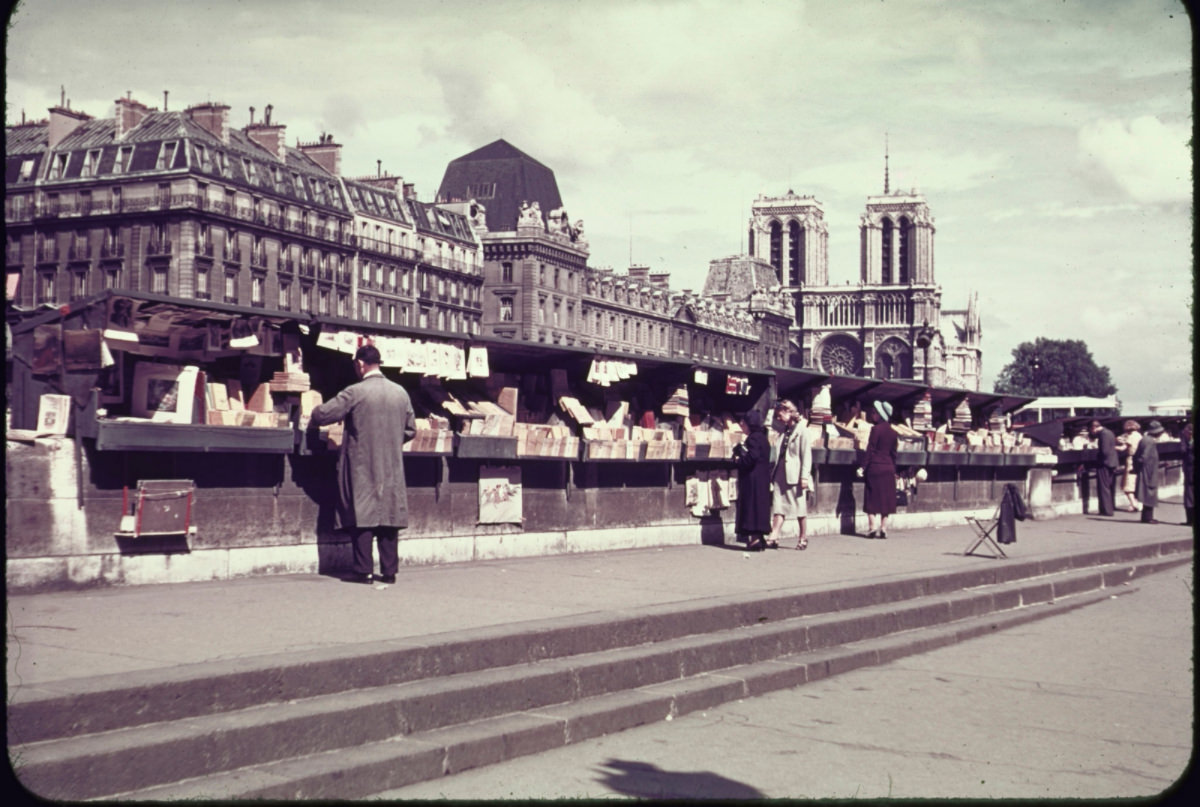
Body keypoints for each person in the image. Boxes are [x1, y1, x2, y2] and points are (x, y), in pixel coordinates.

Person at [310, 344, 416, 585]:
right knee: (389, 517)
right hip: (391, 465)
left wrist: (309, 409)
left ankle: (363, 571)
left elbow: (323, 415)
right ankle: (389, 572)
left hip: (362, 464)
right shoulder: (400, 393)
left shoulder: (355, 392)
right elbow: (411, 430)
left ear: (360, 364)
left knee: (362, 516)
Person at [767, 399, 814, 550]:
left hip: (796, 474)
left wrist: (805, 476)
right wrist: (774, 410)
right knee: (778, 506)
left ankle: (803, 537)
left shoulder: (803, 430)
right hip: (780, 473)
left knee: (800, 508)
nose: (779, 418)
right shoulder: (784, 430)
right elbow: (769, 423)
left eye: (781, 414)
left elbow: (806, 455)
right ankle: (774, 536)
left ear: (789, 412)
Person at [732, 409, 772, 551]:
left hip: (753, 480)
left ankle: (755, 539)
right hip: (761, 479)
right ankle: (759, 538)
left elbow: (752, 457)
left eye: (744, 422)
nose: (742, 425)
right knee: (759, 507)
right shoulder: (762, 437)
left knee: (752, 507)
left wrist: (739, 459)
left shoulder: (753, 438)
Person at [861, 400, 898, 539]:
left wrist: (863, 466)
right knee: (886, 499)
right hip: (888, 468)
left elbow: (870, 449)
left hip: (875, 467)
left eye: (874, 413)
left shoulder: (875, 430)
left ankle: (872, 527)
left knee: (871, 497)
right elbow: (894, 454)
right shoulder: (894, 433)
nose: (873, 415)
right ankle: (883, 528)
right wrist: (894, 470)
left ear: (880, 415)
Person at [1133, 420, 1163, 524]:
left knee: (1147, 493)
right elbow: (1144, 457)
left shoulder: (1144, 440)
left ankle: (1147, 516)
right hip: (1149, 471)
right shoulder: (1150, 441)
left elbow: (1137, 456)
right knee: (1149, 492)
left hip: (1146, 470)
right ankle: (1147, 517)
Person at [1090, 419, 1119, 517]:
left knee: (1104, 487)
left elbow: (1104, 451)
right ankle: (1107, 508)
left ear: (1094, 427)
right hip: (1112, 462)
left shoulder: (1103, 434)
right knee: (1109, 486)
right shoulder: (1109, 432)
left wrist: (1098, 457)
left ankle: (1107, 510)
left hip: (1105, 463)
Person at [1115, 420, 1143, 512]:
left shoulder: (1130, 437)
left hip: (1130, 460)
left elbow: (1122, 448)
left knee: (1127, 485)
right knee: (1135, 483)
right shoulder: (1139, 435)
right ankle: (1136, 503)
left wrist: (1112, 446)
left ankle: (1133, 504)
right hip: (1138, 460)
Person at [1181, 421, 1194, 526]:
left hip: (1191, 471)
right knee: (1189, 497)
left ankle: (1191, 520)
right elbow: (1182, 450)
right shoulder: (1185, 440)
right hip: (1189, 472)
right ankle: (1190, 520)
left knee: (1190, 496)